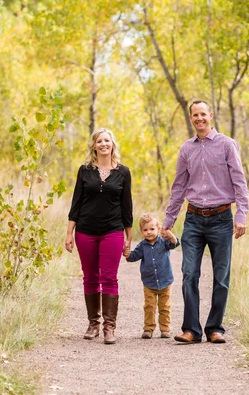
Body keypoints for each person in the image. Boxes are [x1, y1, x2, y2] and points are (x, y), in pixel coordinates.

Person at [162, 99, 249, 344]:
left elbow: (240, 183)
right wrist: (168, 221)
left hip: (221, 219)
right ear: (191, 119)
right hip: (193, 219)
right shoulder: (186, 149)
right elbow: (178, 187)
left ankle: (215, 328)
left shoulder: (227, 145)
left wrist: (241, 216)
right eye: (194, 115)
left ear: (210, 115)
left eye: (203, 114)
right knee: (189, 273)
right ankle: (191, 329)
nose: (199, 118)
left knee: (221, 276)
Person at [65, 128, 133, 345]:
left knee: (109, 278)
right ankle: (93, 324)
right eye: (99, 141)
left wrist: (128, 237)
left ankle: (109, 328)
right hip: (85, 231)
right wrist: (69, 233)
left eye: (107, 140)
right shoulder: (84, 171)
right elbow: (76, 203)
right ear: (94, 145)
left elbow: (127, 207)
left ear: (112, 144)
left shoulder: (123, 172)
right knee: (90, 277)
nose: (103, 144)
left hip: (112, 231)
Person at [124, 213, 179, 339]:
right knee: (149, 306)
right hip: (149, 283)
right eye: (145, 230)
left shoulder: (164, 242)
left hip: (165, 280)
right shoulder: (142, 246)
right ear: (142, 231)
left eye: (152, 229)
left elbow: (174, 244)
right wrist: (127, 254)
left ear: (158, 229)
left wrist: (171, 236)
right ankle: (148, 328)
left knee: (165, 307)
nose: (149, 232)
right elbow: (133, 257)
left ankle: (165, 329)